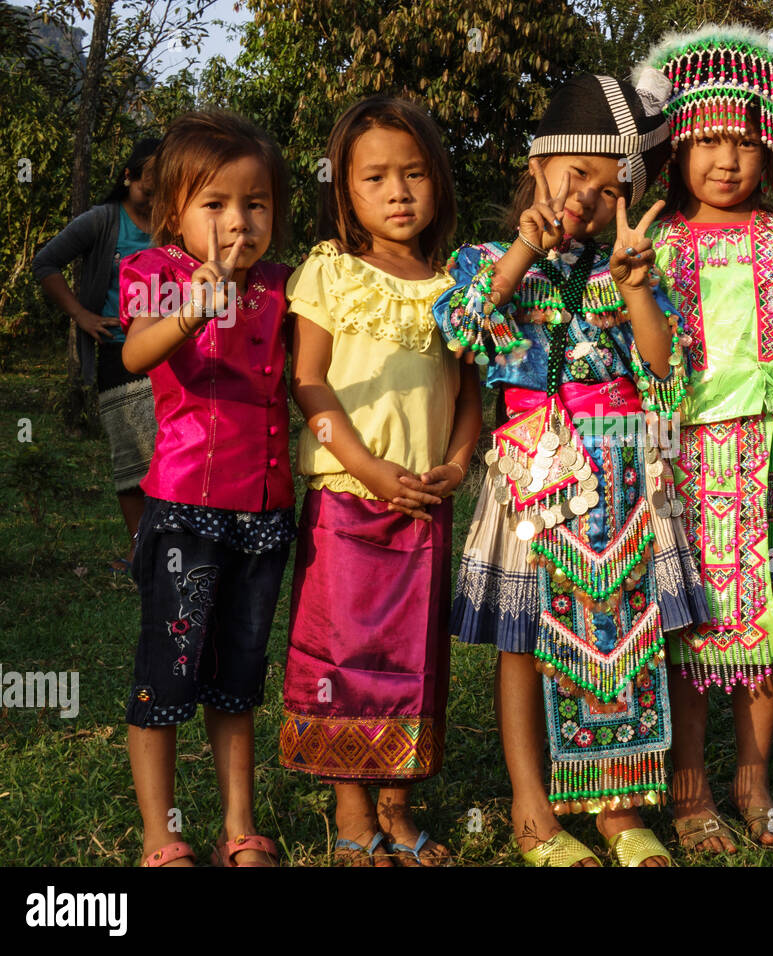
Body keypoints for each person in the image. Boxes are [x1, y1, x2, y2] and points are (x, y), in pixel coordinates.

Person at [433, 73, 707, 866]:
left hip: (623, 480)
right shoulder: (488, 258)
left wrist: (637, 289)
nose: (588, 196)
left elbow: (665, 372)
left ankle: (620, 812)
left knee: (626, 640)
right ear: (539, 162)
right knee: (526, 641)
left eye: (610, 187)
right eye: (575, 174)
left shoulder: (625, 271)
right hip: (532, 483)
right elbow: (465, 328)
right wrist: (525, 248)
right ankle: (532, 811)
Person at [639, 26, 773, 853]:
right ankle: (689, 785)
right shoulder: (653, 244)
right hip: (682, 457)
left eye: (745, 142)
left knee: (761, 624)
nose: (727, 160)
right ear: (680, 146)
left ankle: (752, 777)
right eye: (708, 140)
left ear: (771, 154)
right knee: (688, 622)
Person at [279, 96, 482, 867]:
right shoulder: (330, 272)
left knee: (413, 660)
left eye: (415, 174)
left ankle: (398, 808)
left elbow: (471, 395)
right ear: (345, 190)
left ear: (439, 184)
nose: (399, 193)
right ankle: (353, 813)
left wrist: (459, 464)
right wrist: (367, 467)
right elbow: (308, 384)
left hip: (426, 501)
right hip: (346, 497)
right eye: (375, 179)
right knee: (343, 655)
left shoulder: (459, 285)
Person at [118, 111, 294, 867]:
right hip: (186, 507)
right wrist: (196, 302)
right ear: (174, 212)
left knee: (238, 679)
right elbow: (135, 353)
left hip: (265, 511)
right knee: (166, 674)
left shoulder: (286, 287)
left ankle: (238, 828)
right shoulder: (157, 275)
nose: (237, 222)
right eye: (214, 204)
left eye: (255, 204)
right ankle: (162, 833)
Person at [33, 138, 161, 571]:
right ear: (128, 178)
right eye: (148, 184)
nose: (155, 193)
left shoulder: (175, 223)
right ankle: (138, 548)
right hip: (118, 351)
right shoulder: (103, 221)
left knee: (168, 452)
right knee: (130, 454)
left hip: (169, 352)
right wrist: (81, 315)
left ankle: (165, 548)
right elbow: (45, 262)